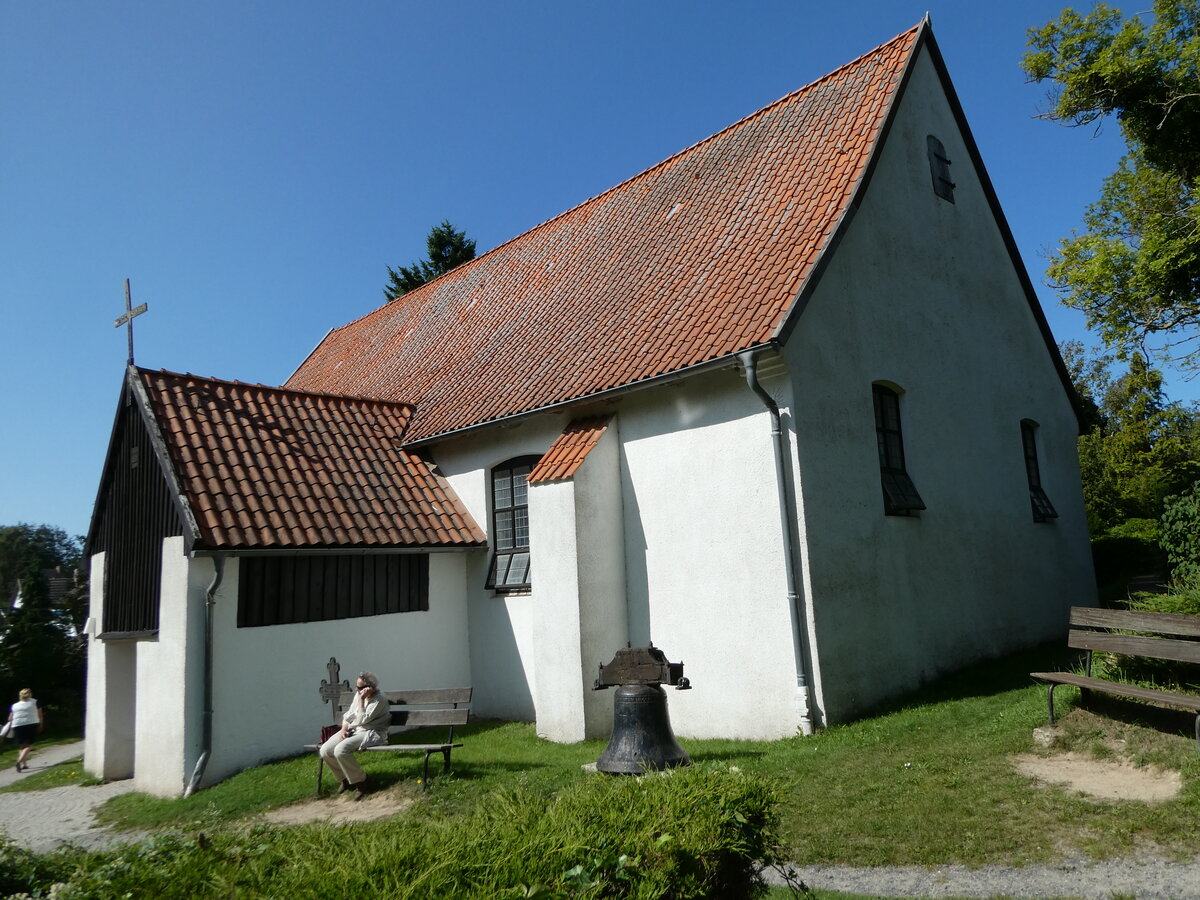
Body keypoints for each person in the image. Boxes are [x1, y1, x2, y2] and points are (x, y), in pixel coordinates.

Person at [318, 671, 390, 798]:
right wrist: (344, 728)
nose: (358, 690)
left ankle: (362, 781)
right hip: (354, 730)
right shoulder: (358, 695)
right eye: (357, 687)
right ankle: (345, 779)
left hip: (371, 732)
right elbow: (349, 714)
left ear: (370, 687)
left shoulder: (379, 699)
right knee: (325, 750)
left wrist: (362, 700)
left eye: (361, 687)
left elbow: (363, 720)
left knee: (340, 750)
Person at [7, 689, 43, 772]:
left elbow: (10, 718)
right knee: (28, 745)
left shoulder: (15, 705)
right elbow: (40, 715)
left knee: (21, 746)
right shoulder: (35, 702)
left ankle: (24, 764)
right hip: (30, 724)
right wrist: (41, 724)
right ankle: (18, 762)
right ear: (30, 694)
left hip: (17, 725)